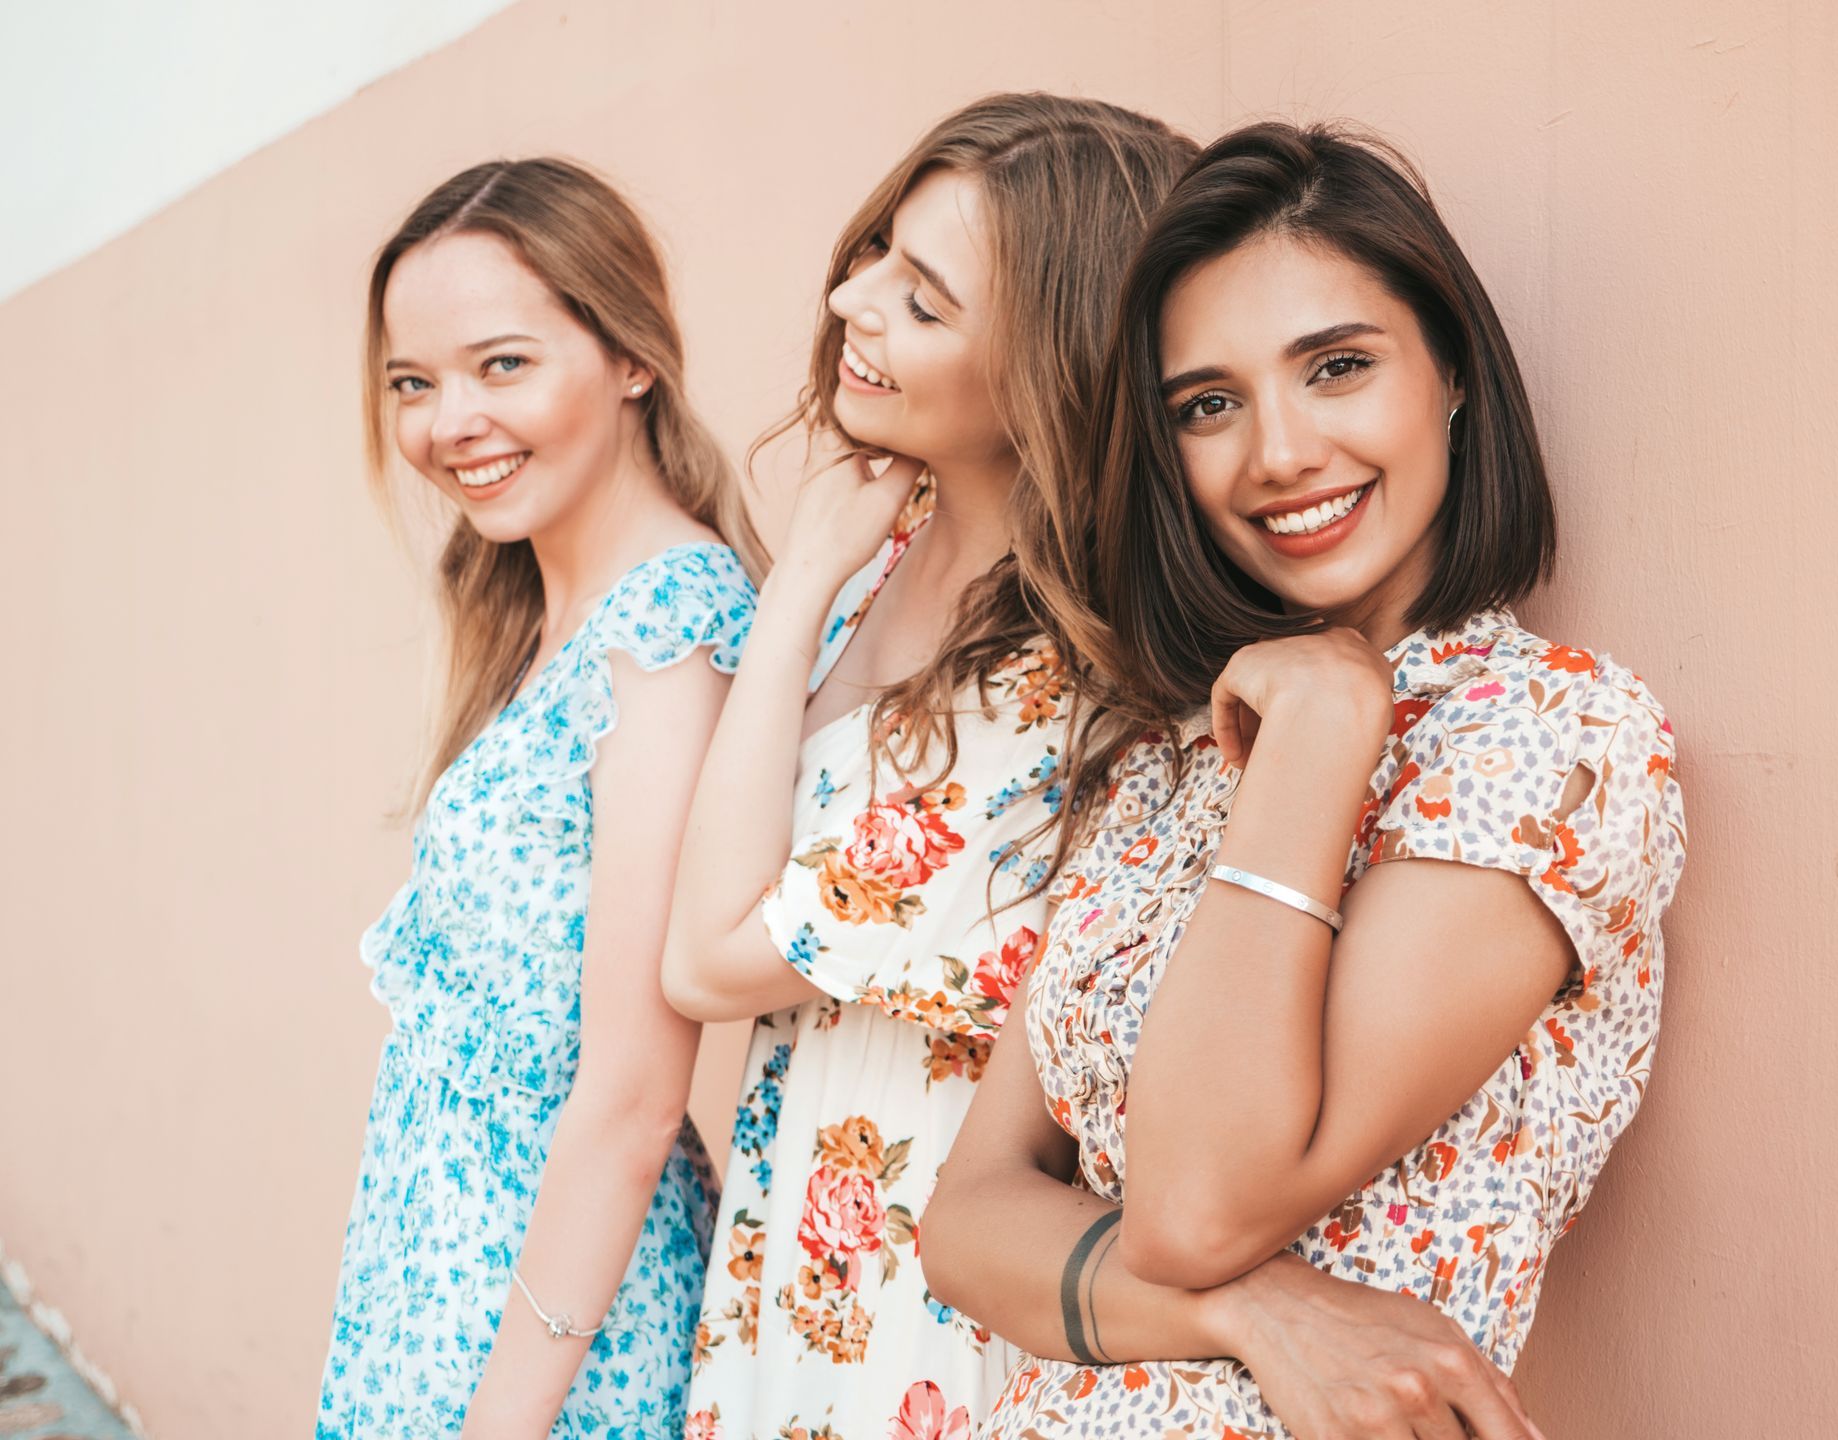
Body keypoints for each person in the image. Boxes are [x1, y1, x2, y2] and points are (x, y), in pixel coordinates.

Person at [923, 121, 1686, 1440]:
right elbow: (968, 1224)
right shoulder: (1166, 763)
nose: (1277, 453)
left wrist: (1331, 731)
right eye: (1209, 405)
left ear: (1449, 371)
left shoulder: (1553, 743)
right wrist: (1255, 1312)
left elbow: (1203, 1200)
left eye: (1335, 367)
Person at [658, 93, 1197, 1440]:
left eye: (925, 300)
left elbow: (711, 960)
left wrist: (787, 607)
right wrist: (822, 584)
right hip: (795, 1244)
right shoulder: (885, 549)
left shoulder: (1059, 691)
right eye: (878, 252)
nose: (852, 298)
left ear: (1050, 373)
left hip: (919, 1302)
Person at [316, 158, 756, 1440]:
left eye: (501, 365)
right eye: (414, 382)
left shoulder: (666, 635)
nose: (450, 421)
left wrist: (500, 1422)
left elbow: (632, 1096)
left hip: (548, 1340)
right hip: (437, 1290)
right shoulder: (540, 611)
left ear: (630, 357)